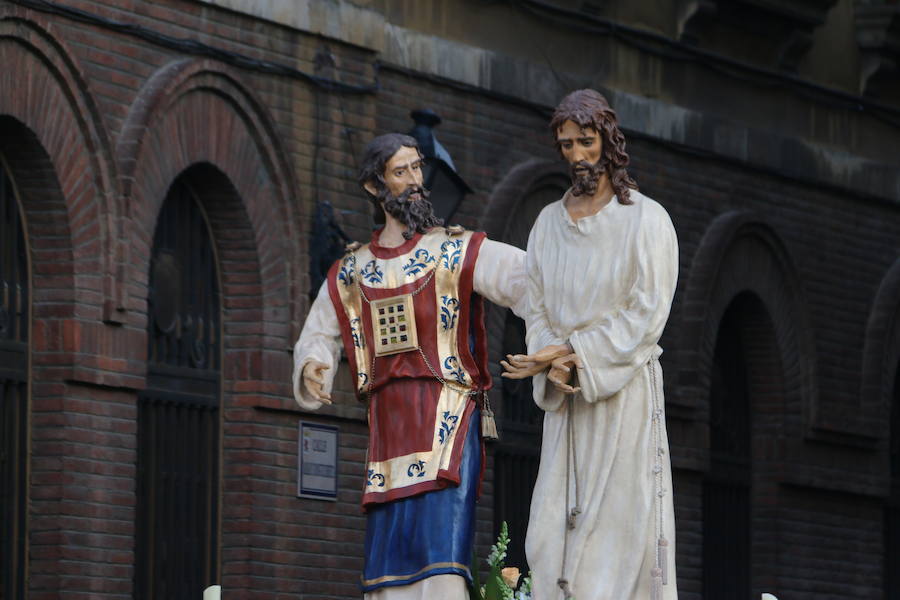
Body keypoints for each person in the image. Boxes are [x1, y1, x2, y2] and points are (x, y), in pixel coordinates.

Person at [293, 133, 527, 599]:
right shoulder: (352, 271)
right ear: (374, 187)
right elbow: (318, 332)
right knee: (387, 570)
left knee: (441, 562)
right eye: (401, 172)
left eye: (418, 169)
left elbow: (529, 280)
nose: (416, 182)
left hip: (447, 422)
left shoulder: (454, 251)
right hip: (389, 432)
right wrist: (313, 367)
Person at [502, 89, 679, 600]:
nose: (578, 155)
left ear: (608, 140)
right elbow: (535, 307)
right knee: (551, 530)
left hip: (620, 396)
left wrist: (576, 354)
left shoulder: (647, 221)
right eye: (566, 145)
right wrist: (550, 354)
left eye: (586, 141)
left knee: (617, 534)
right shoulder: (546, 227)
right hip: (567, 406)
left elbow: (646, 314)